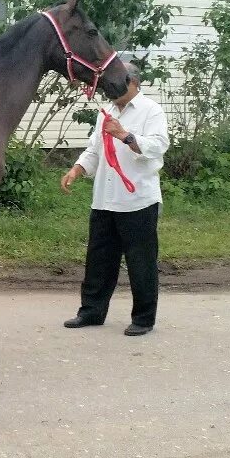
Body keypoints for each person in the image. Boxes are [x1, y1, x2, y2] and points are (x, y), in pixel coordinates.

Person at [60, 63, 170, 336]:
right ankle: (91, 311)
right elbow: (95, 150)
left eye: (117, 82)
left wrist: (125, 135)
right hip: (105, 199)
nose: (111, 87)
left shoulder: (151, 110)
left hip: (138, 200)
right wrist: (77, 169)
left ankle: (143, 319)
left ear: (133, 82)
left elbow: (158, 145)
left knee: (140, 261)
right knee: (98, 259)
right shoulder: (106, 113)